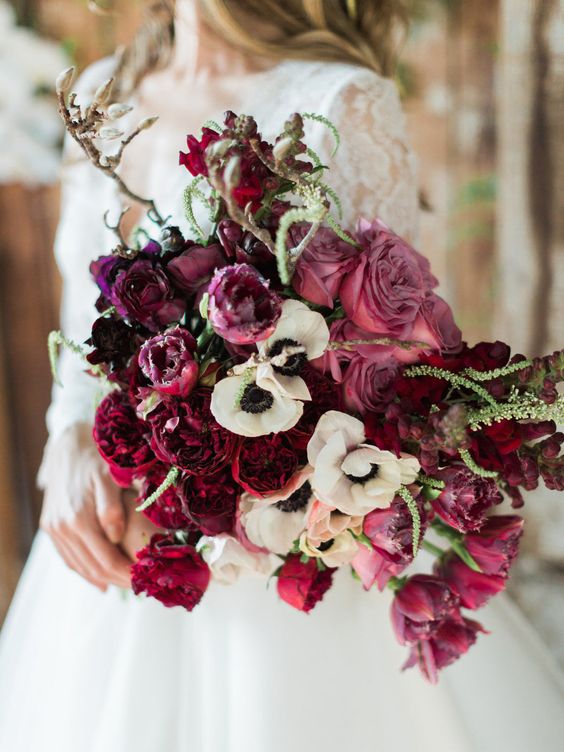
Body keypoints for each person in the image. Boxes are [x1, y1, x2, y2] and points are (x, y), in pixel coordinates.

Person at [1, 2, 564, 750]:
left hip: (283, 549)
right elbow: (81, 323)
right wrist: (66, 441)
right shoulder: (102, 92)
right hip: (113, 535)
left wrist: (247, 474)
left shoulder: (338, 100)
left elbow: (383, 371)